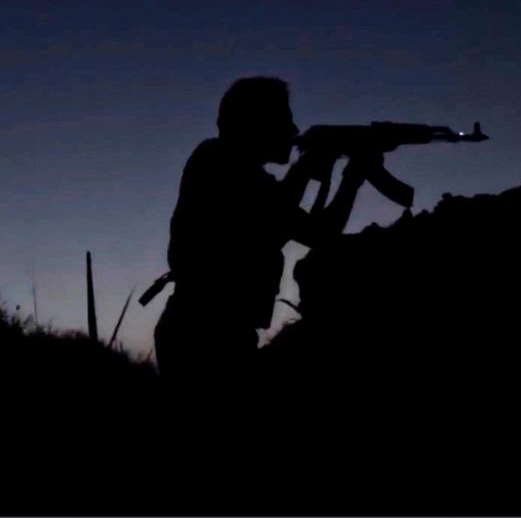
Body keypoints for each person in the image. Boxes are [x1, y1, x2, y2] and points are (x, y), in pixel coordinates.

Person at [152, 76, 370, 394]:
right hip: (206, 336)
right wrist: (346, 176)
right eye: (285, 120)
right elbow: (314, 230)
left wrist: (318, 171)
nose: (294, 131)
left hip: (210, 333)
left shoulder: (230, 169)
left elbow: (291, 226)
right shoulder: (219, 162)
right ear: (256, 123)